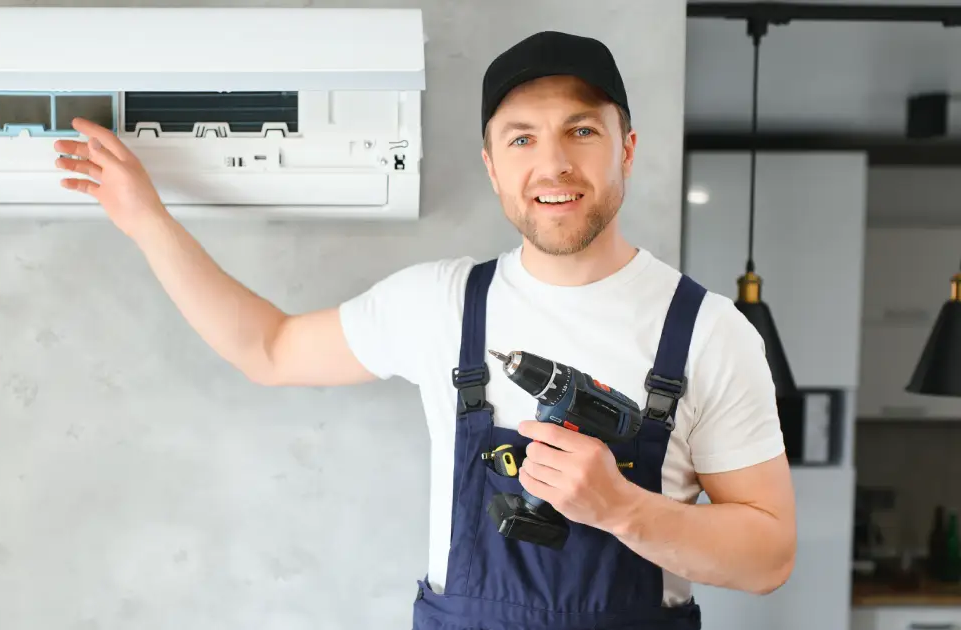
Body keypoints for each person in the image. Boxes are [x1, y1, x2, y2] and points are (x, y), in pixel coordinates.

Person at [53, 29, 796, 630]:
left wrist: (622, 507)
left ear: (625, 147)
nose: (554, 163)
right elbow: (269, 349)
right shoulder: (441, 306)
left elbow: (767, 558)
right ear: (491, 165)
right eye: (521, 139)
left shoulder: (710, 334)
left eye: (581, 130)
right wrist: (147, 220)